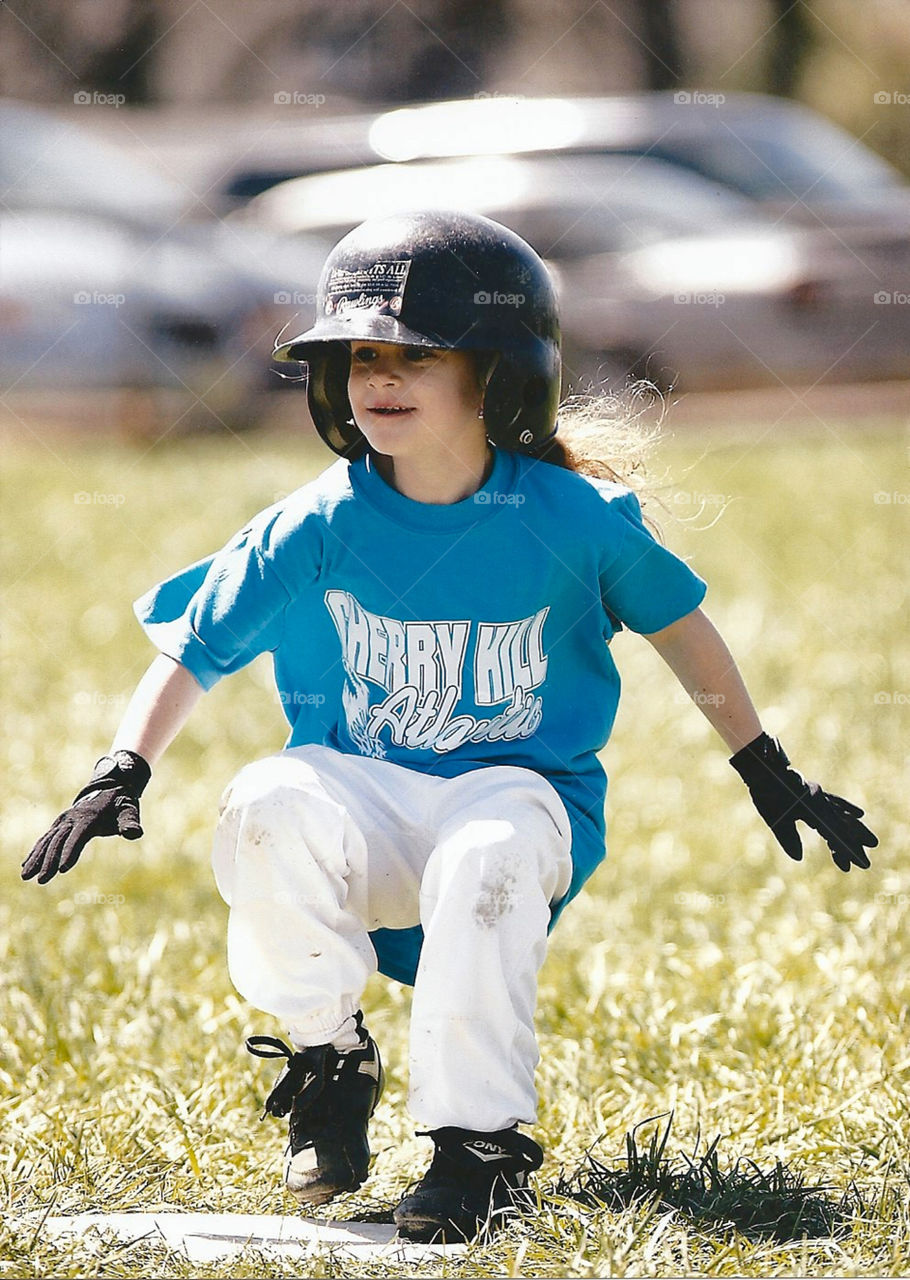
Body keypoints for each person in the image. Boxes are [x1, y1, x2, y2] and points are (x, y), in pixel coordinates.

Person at [22, 210, 877, 1244]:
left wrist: (763, 765)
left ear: (497, 369)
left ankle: (479, 1148)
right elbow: (193, 649)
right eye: (358, 356)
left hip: (517, 795)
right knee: (265, 799)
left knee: (484, 854)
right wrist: (119, 769)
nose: (377, 377)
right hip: (366, 795)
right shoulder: (318, 520)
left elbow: (684, 631)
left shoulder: (567, 516)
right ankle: (329, 1060)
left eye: (413, 355)